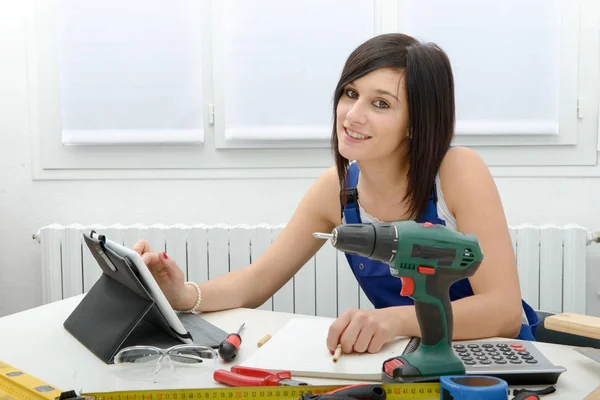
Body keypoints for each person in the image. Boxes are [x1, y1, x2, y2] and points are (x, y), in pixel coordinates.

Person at [133, 33, 539, 356]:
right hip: (415, 356)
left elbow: (504, 311)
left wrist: (393, 321)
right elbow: (256, 281)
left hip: (500, 358)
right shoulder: (337, 190)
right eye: (350, 93)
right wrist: (183, 296)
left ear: (417, 122)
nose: (353, 114)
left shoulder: (456, 171)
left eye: (380, 103)